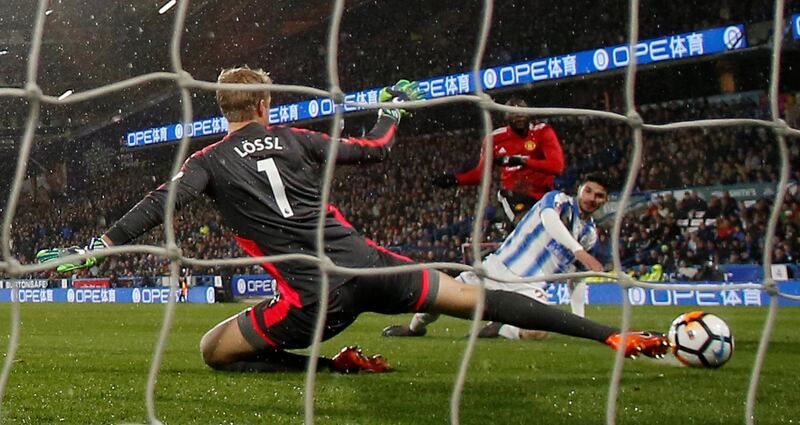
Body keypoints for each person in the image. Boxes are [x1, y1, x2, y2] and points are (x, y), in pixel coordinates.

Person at [37, 67, 668, 374]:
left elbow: (158, 207)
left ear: (222, 108)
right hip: (367, 264)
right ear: (263, 103)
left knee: (213, 352)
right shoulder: (298, 137)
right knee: (481, 300)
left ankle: (333, 363)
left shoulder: (205, 161)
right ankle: (614, 336)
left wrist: (96, 246)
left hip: (309, 299)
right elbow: (376, 150)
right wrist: (391, 111)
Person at [383, 174, 607, 340]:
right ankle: (414, 329)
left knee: (538, 332)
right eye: (588, 191)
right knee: (440, 299)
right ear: (579, 190)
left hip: (530, 285)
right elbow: (549, 220)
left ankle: (499, 327)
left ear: (605, 201)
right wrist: (578, 251)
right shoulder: (557, 200)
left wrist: (582, 323)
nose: (592, 198)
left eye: (599, 196)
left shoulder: (588, 235)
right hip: (496, 268)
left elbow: (577, 277)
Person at [433, 98, 565, 224]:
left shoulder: (542, 132)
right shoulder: (494, 139)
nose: (519, 116)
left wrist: (522, 161)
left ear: (529, 114)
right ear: (506, 117)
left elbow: (557, 167)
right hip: (515, 195)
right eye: (514, 113)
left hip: (544, 196)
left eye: (522, 112)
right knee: (525, 222)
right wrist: (455, 179)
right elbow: (481, 175)